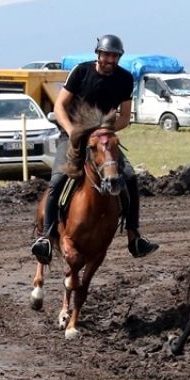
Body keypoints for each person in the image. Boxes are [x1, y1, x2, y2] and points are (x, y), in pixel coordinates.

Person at [31, 34, 158, 263]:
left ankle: (134, 236)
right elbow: (60, 106)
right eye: (107, 55)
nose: (110, 60)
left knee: (129, 176)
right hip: (74, 137)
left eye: (115, 56)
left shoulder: (124, 79)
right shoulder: (81, 72)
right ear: (98, 54)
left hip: (103, 140)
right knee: (58, 180)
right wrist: (72, 131)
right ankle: (47, 238)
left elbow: (125, 117)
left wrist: (105, 131)